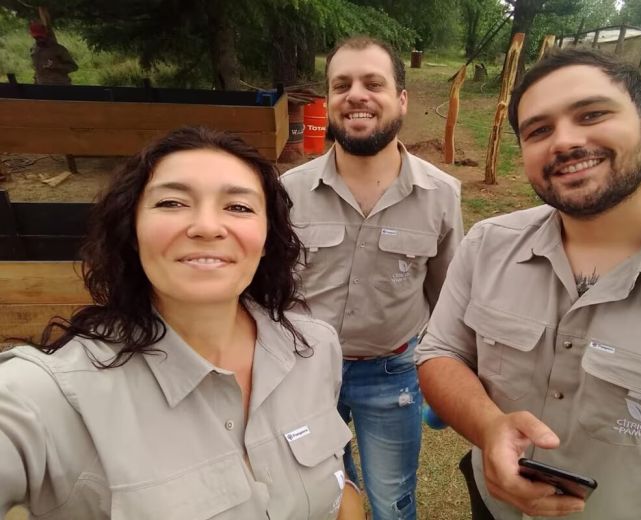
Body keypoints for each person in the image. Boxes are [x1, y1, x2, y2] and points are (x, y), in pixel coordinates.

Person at [416, 47, 641, 519]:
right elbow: (441, 353)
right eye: (539, 130)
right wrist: (490, 427)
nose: (564, 142)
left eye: (591, 114)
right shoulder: (489, 245)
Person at [0, 127, 364, 519]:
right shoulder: (48, 396)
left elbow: (335, 484)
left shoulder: (314, 347)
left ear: (266, 238)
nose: (207, 226)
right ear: (133, 230)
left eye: (238, 207)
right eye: (172, 203)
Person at [281, 36, 463, 520]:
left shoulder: (441, 196)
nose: (356, 94)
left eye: (373, 83)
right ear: (330, 99)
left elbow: (447, 298)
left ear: (401, 99)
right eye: (342, 84)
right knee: (325, 493)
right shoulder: (288, 192)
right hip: (305, 373)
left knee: (392, 500)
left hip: (393, 375)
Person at [29, 21, 78, 86]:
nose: (39, 40)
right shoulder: (34, 50)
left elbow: (73, 67)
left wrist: (57, 66)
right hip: (41, 87)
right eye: (36, 38)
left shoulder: (58, 49)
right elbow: (38, 70)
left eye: (41, 37)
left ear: (46, 35)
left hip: (60, 86)